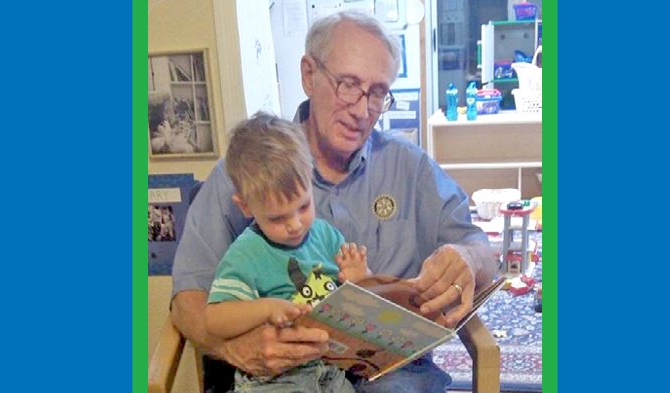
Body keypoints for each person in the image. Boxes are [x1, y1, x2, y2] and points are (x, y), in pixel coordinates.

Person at [170, 10, 496, 393]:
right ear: (308, 75)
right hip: (283, 377)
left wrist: (468, 260)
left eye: (377, 93)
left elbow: (480, 250)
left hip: (392, 377)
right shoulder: (244, 175)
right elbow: (187, 302)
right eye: (347, 85)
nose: (361, 110)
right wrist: (235, 347)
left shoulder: (412, 168)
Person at [204, 113, 368, 392]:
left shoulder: (327, 236)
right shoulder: (246, 254)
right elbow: (215, 319)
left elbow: (362, 307)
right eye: (277, 218)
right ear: (245, 207)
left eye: (303, 207)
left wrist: (361, 278)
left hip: (332, 371)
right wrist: (266, 309)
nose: (295, 225)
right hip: (275, 378)